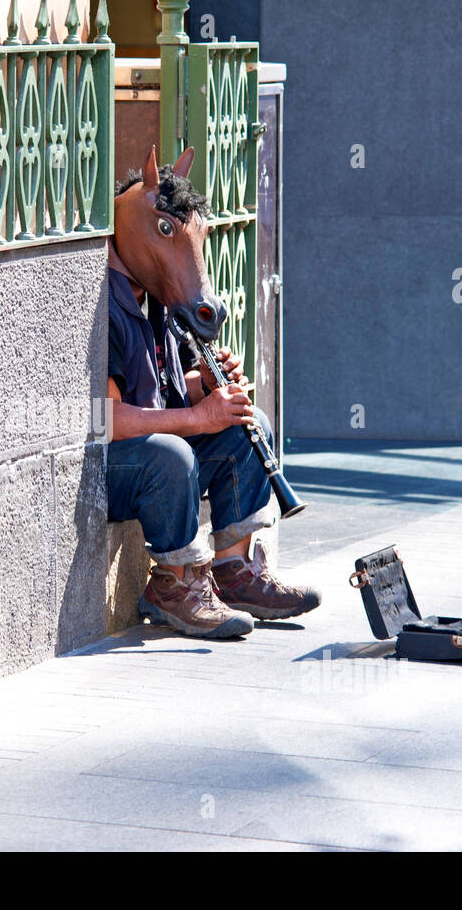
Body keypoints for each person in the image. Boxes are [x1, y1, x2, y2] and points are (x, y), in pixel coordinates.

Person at [105, 163, 321, 640]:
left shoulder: (159, 302)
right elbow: (109, 420)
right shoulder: (104, 304)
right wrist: (197, 418)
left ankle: (233, 571)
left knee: (250, 421)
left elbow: (166, 389)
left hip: (162, 455)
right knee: (173, 451)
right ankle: (174, 584)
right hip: (117, 472)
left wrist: (205, 388)